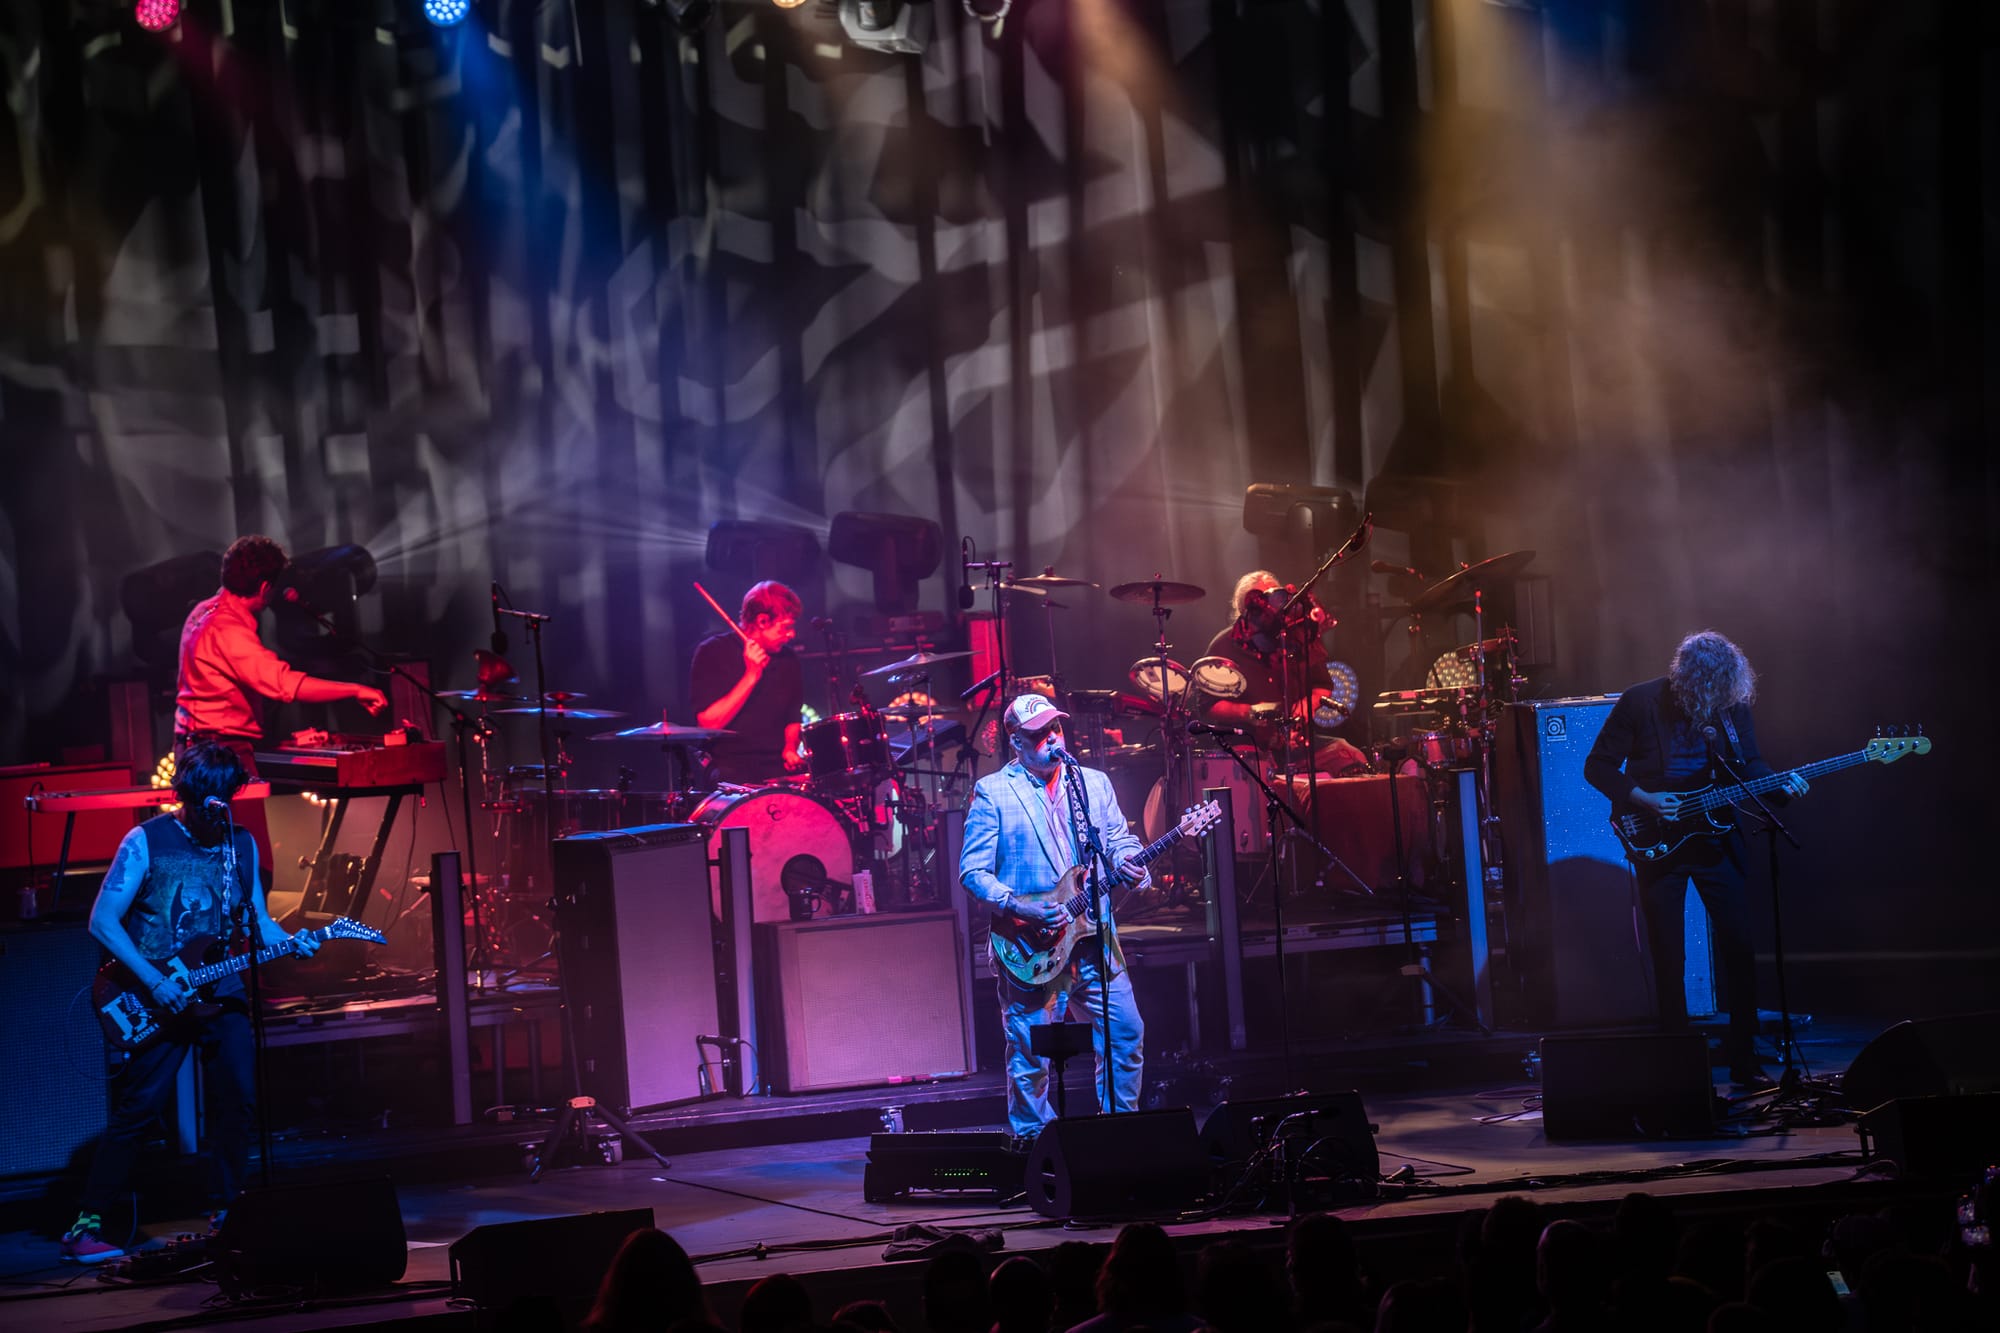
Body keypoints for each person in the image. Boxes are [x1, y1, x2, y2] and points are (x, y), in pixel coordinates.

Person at [60, 742, 323, 1264]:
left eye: (221, 801)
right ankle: (86, 1224)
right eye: (203, 802)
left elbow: (258, 920)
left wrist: (291, 942)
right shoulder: (145, 841)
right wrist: (154, 981)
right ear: (186, 794)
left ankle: (226, 1211)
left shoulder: (240, 843)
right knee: (140, 1107)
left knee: (238, 1098)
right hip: (153, 994)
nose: (212, 812)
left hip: (219, 989)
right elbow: (102, 921)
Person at [1583, 630, 1807, 1085]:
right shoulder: (1640, 701)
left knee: (1739, 947)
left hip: (1715, 839)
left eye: (1722, 687)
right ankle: (1678, 1065)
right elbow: (1598, 766)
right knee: (1669, 955)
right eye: (1707, 686)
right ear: (1685, 677)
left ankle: (1744, 1059)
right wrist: (1644, 799)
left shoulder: (1731, 708)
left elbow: (1749, 764)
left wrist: (1782, 787)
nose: (1714, 696)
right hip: (1657, 840)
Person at [958, 694, 1149, 1136]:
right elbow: (972, 872)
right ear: (1016, 741)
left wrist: (1131, 861)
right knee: (1031, 1054)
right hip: (1033, 946)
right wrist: (1017, 904)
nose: (1051, 739)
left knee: (1125, 1034)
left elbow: (1118, 840)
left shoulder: (1093, 783)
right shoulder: (994, 792)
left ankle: (1121, 1136)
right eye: (1039, 734)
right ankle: (1036, 1145)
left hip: (1095, 939)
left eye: (1055, 729)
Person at [175, 536, 388, 871]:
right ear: (264, 587)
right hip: (219, 756)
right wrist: (354, 690)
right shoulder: (228, 630)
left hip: (193, 749)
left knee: (212, 866)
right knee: (252, 868)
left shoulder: (202, 611)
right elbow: (284, 684)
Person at [1202, 570, 1368, 776]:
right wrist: (1249, 712)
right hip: (1247, 746)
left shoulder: (1297, 637)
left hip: (1296, 745)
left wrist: (1304, 708)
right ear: (1244, 610)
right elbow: (1208, 705)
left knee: (1350, 756)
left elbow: (1321, 686)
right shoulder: (1224, 645)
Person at [689, 580, 807, 783]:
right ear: (762, 621)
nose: (792, 634)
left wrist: (790, 748)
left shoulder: (789, 660)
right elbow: (708, 723)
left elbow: (793, 718)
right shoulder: (712, 651)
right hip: (730, 770)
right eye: (786, 627)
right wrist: (751, 675)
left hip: (777, 770)